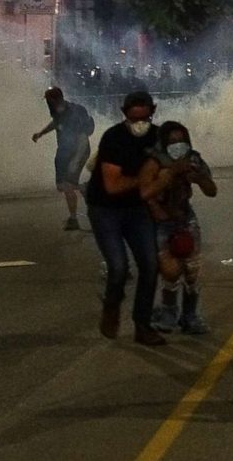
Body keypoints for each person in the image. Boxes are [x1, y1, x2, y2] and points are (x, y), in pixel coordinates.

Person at [87, 91, 166, 346]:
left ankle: (142, 325)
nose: (140, 124)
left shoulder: (157, 137)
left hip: (137, 209)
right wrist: (148, 182)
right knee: (119, 267)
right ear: (125, 115)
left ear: (152, 113)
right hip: (105, 209)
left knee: (150, 265)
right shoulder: (114, 138)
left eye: (145, 118)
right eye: (135, 119)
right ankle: (112, 305)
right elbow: (112, 185)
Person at [139, 121, 216, 334]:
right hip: (161, 224)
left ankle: (189, 316)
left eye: (181, 140)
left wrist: (198, 177)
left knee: (192, 272)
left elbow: (212, 190)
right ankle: (168, 312)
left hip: (186, 220)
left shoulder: (193, 159)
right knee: (171, 272)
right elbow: (144, 193)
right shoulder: (154, 163)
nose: (178, 145)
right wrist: (170, 175)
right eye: (172, 141)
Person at [33, 87, 95, 230]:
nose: (47, 103)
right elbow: (56, 123)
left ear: (54, 100)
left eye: (49, 100)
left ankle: (73, 219)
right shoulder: (59, 111)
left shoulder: (74, 113)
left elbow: (83, 138)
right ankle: (84, 188)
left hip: (77, 152)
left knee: (67, 185)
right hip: (64, 152)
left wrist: (76, 160)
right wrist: (41, 133)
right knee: (62, 185)